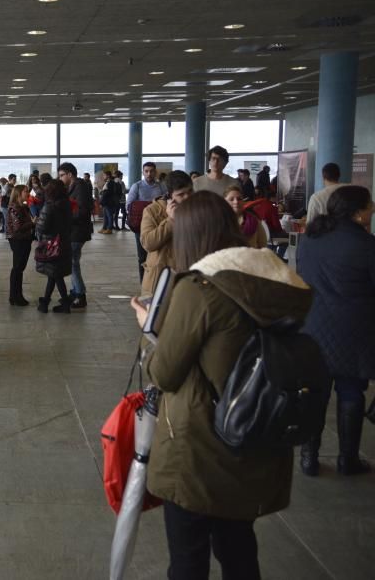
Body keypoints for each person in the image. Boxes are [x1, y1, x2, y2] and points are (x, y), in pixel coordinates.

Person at [130, 191, 308, 580]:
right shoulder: (275, 281)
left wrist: (149, 327)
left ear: (192, 235)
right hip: (256, 434)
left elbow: (165, 372)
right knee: (239, 548)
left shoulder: (200, 289)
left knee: (189, 558)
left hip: (201, 448)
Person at [297, 185, 375, 477]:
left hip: (313, 326)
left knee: (315, 393)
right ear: (357, 212)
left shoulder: (310, 240)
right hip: (354, 330)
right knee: (352, 391)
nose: (373, 208)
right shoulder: (368, 245)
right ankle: (347, 460)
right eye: (370, 204)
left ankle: (308, 458)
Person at [139, 170, 193, 296]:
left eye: (190, 192)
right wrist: (171, 220)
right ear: (170, 195)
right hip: (159, 279)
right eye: (181, 194)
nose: (187, 198)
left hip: (188, 278)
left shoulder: (197, 210)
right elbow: (148, 243)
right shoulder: (153, 210)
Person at [36, 179, 73, 314]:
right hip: (64, 242)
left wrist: (36, 222)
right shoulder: (66, 204)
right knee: (54, 273)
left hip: (51, 245)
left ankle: (63, 303)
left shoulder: (49, 206)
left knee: (55, 274)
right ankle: (45, 301)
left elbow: (42, 228)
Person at [58, 163, 93, 308]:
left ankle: (80, 294)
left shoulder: (80, 186)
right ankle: (75, 291)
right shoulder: (74, 186)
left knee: (73, 263)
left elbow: (82, 210)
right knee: (72, 262)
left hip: (77, 231)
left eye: (62, 175)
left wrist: (65, 217)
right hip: (74, 230)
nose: (60, 178)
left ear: (70, 174)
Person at [126, 162, 166, 284]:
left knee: (158, 254)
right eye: (146, 171)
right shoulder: (137, 186)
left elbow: (166, 202)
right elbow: (129, 204)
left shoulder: (161, 186)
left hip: (158, 224)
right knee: (142, 256)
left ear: (155, 172)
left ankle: (156, 280)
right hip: (141, 225)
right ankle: (144, 282)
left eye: (151, 171)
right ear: (143, 172)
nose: (149, 174)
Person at [5, 184, 33, 306]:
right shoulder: (15, 208)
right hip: (19, 240)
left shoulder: (23, 207)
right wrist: (32, 223)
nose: (28, 193)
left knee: (19, 268)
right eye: (25, 191)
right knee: (17, 268)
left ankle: (16, 295)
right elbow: (18, 228)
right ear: (18, 194)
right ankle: (15, 296)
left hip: (23, 239)